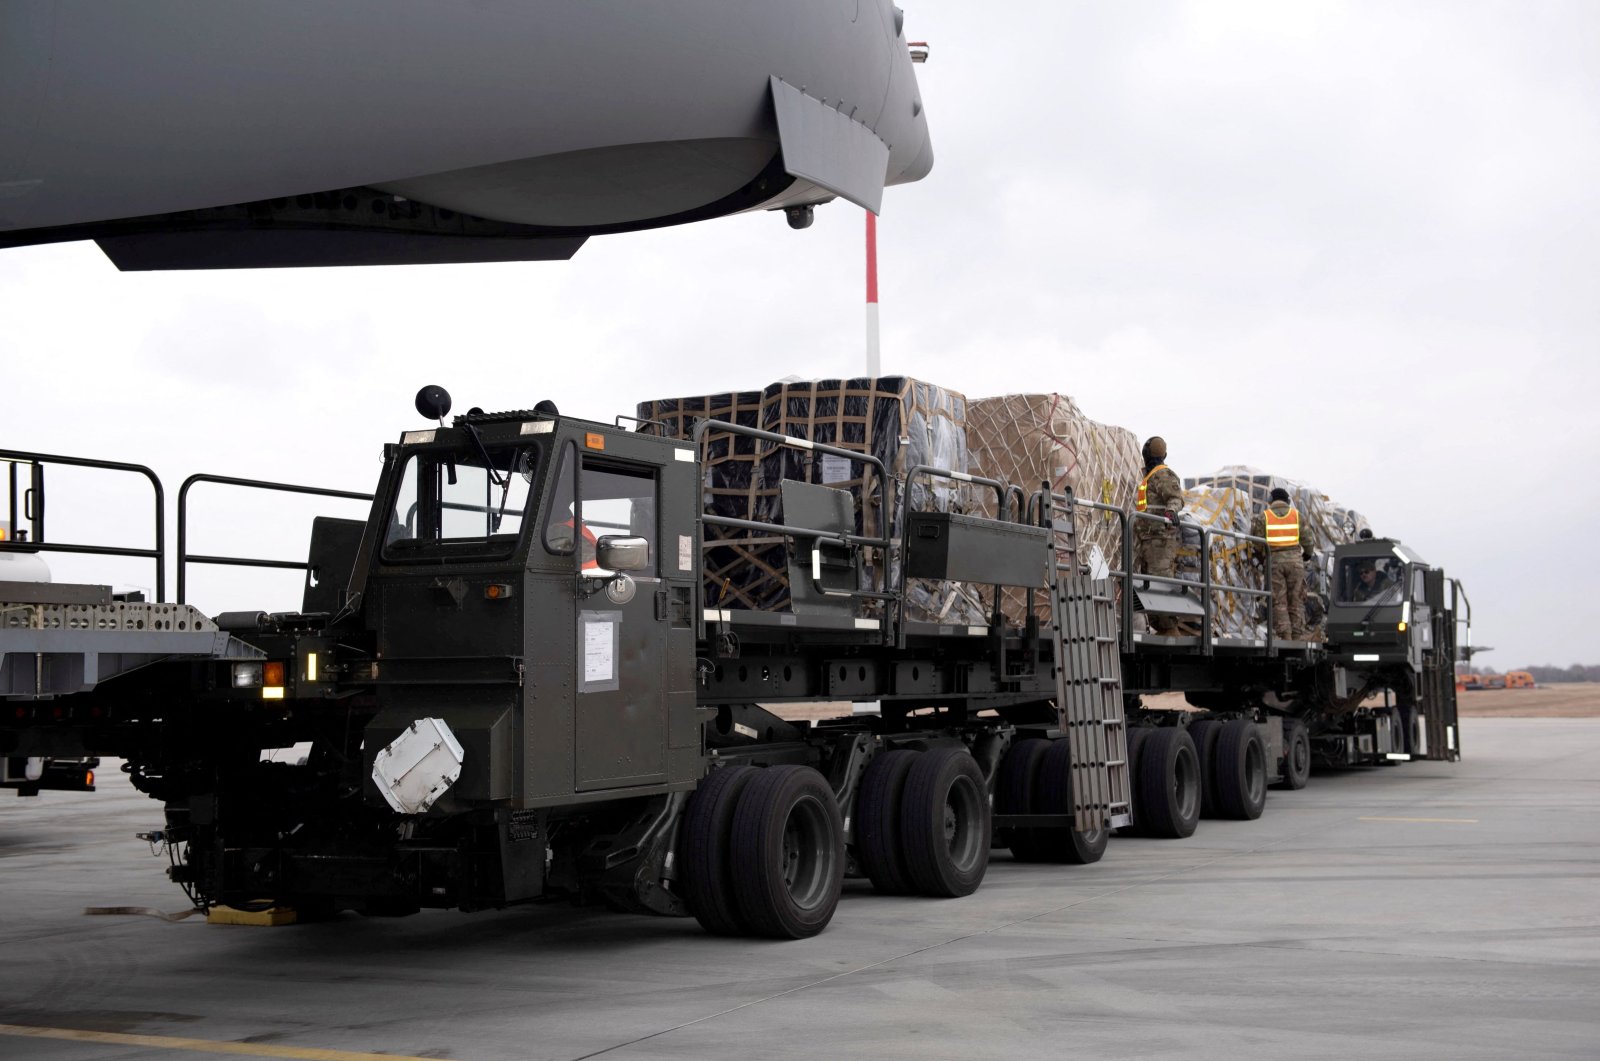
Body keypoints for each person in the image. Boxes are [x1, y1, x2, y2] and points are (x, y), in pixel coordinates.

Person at [1134, 436, 1183, 634]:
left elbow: (1175, 498)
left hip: (1160, 541)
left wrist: (1171, 512)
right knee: (1149, 589)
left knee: (1161, 587)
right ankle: (1160, 628)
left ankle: (1170, 633)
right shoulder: (1150, 477)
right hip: (1148, 541)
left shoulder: (1163, 474)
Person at [1252, 487, 1314, 640]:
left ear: (1270, 501)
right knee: (1297, 599)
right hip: (1295, 563)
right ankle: (1297, 635)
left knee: (1279, 602)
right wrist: (1306, 554)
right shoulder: (1297, 516)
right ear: (1287, 501)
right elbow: (1308, 540)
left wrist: (1262, 560)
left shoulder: (1263, 517)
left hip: (1274, 564)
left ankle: (1285, 636)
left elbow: (1257, 544)